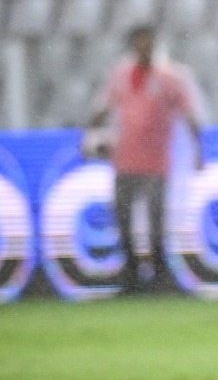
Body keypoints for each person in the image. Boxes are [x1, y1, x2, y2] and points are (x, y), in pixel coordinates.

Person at [85, 24, 204, 294]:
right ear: (132, 45)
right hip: (124, 159)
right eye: (139, 42)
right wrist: (89, 137)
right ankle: (131, 276)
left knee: (155, 221)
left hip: (156, 162)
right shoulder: (120, 75)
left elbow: (189, 114)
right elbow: (102, 108)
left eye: (148, 41)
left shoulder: (170, 77)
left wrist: (198, 150)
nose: (144, 47)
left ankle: (159, 276)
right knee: (123, 219)